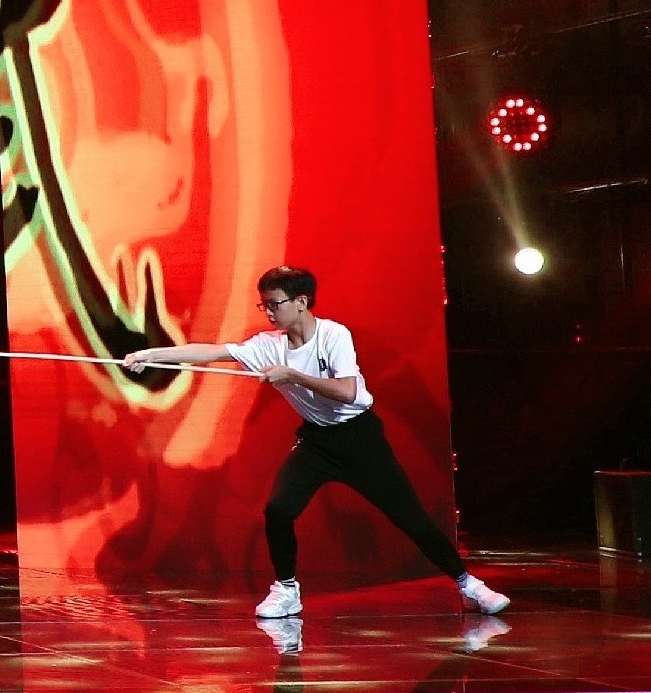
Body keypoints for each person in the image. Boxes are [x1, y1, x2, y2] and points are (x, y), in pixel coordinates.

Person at [124, 266, 510, 620]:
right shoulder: (267, 345)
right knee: (279, 509)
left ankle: (470, 586)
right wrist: (149, 354)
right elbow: (212, 352)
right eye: (264, 305)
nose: (268, 312)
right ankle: (286, 590)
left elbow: (347, 391)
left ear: (301, 302)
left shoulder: (333, 336)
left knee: (409, 518)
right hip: (317, 441)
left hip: (359, 438)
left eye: (274, 304)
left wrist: (292, 376)